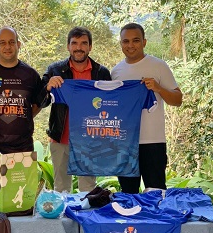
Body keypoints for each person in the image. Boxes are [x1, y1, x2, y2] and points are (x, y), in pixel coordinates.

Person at [112, 22, 183, 194]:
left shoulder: (158, 66)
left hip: (153, 142)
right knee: (128, 194)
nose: (130, 45)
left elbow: (178, 99)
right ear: (121, 44)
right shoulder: (115, 72)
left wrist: (158, 88)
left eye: (135, 40)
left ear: (144, 42)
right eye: (126, 41)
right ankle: (131, 222)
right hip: (125, 143)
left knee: (156, 192)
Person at [40, 26, 111, 193]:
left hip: (90, 140)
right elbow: (40, 102)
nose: (79, 47)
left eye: (83, 43)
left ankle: (85, 219)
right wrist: (48, 87)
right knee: (61, 189)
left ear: (90, 47)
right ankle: (63, 219)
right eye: (74, 43)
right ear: (68, 46)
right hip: (60, 139)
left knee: (88, 190)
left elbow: (110, 106)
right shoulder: (55, 70)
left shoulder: (101, 73)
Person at [0, 26, 44, 154]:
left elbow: (38, 103)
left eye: (12, 42)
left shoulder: (31, 75)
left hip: (24, 149)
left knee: (23, 176)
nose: (8, 47)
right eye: (3, 43)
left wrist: (23, 115)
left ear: (18, 44)